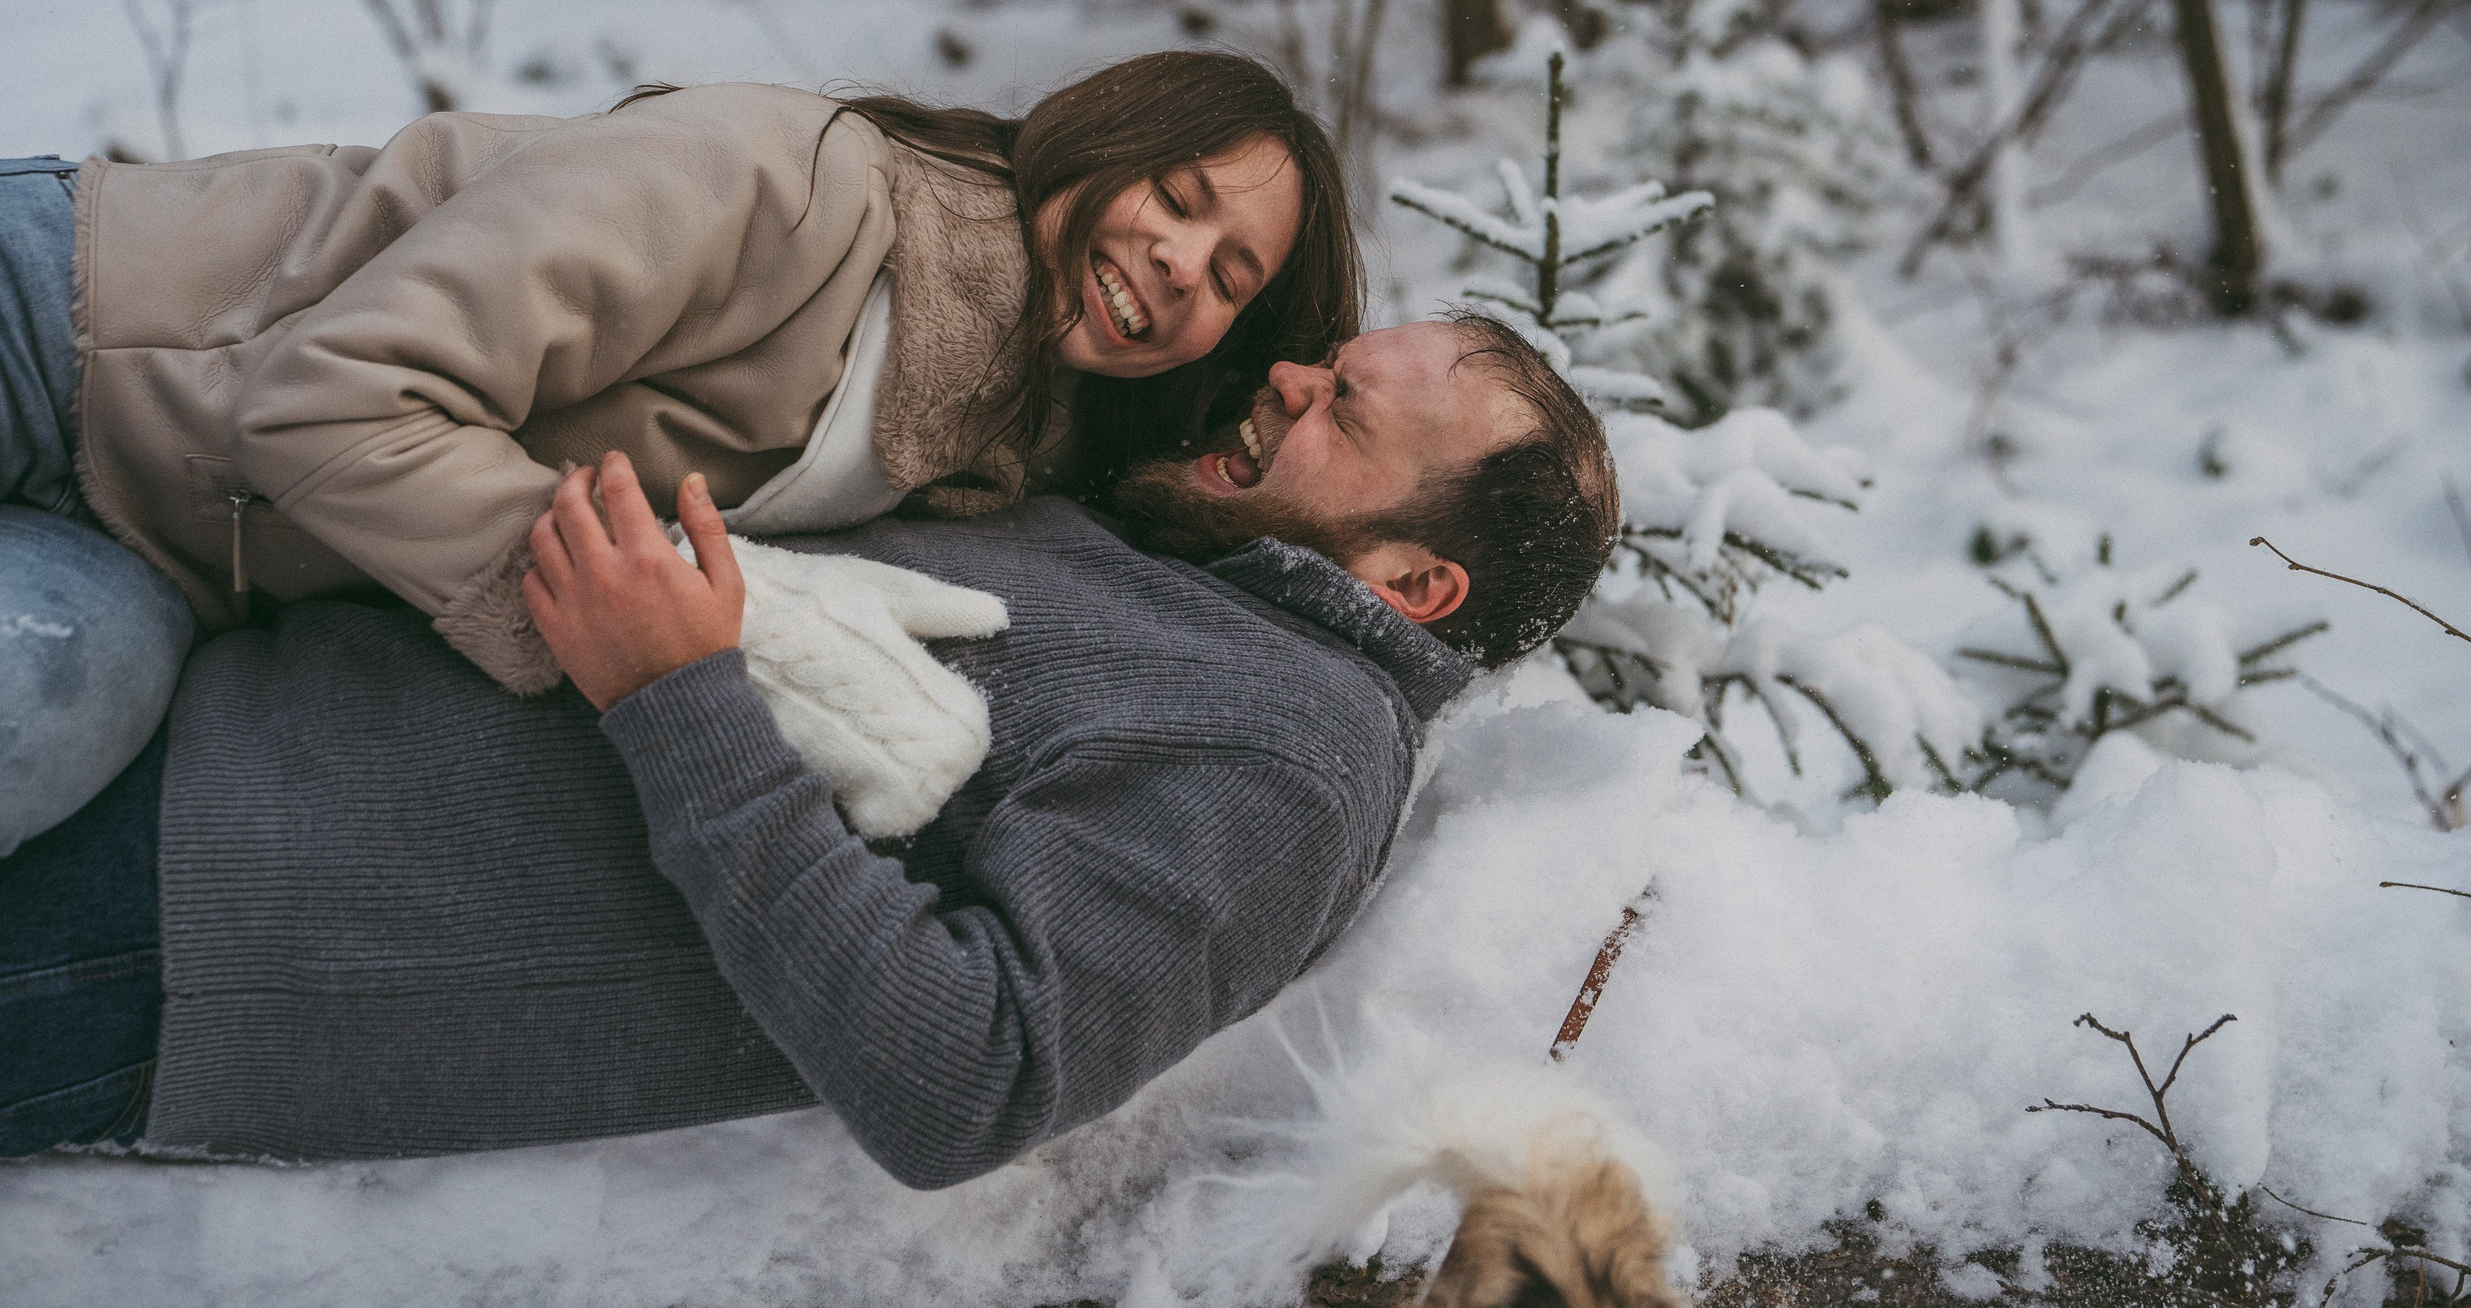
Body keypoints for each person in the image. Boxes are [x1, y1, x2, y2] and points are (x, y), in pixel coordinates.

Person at [0, 314, 1620, 1183]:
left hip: (198, 928)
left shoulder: (1294, 756)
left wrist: (673, 695)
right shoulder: (1165, 552)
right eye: (1331, 357)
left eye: (1345, 405)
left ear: (1416, 586)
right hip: (200, 710)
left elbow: (971, 1077)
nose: (1286, 374)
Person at [0, 51, 1360, 858]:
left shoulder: (985, 457)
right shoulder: (789, 180)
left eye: (1232, 277)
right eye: (1174, 200)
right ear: (1097, 142)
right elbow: (331, 392)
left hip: (168, 554)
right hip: (72, 328)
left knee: (32, 711)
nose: (1181, 266)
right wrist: (647, 618)